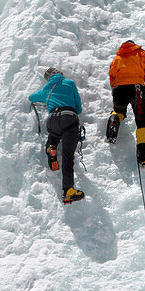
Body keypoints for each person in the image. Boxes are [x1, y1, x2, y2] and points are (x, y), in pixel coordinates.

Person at [28, 67, 85, 204]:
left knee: (54, 135)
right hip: (69, 118)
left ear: (48, 78)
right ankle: (68, 190)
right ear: (60, 74)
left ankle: (51, 147)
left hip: (53, 119)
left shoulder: (47, 89)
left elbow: (31, 97)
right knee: (67, 156)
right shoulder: (69, 83)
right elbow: (78, 107)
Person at [105, 40, 145, 165]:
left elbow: (112, 76)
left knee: (119, 110)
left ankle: (114, 118)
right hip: (136, 88)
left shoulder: (117, 58)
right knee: (142, 118)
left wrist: (115, 90)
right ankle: (143, 151)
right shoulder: (142, 54)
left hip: (118, 89)